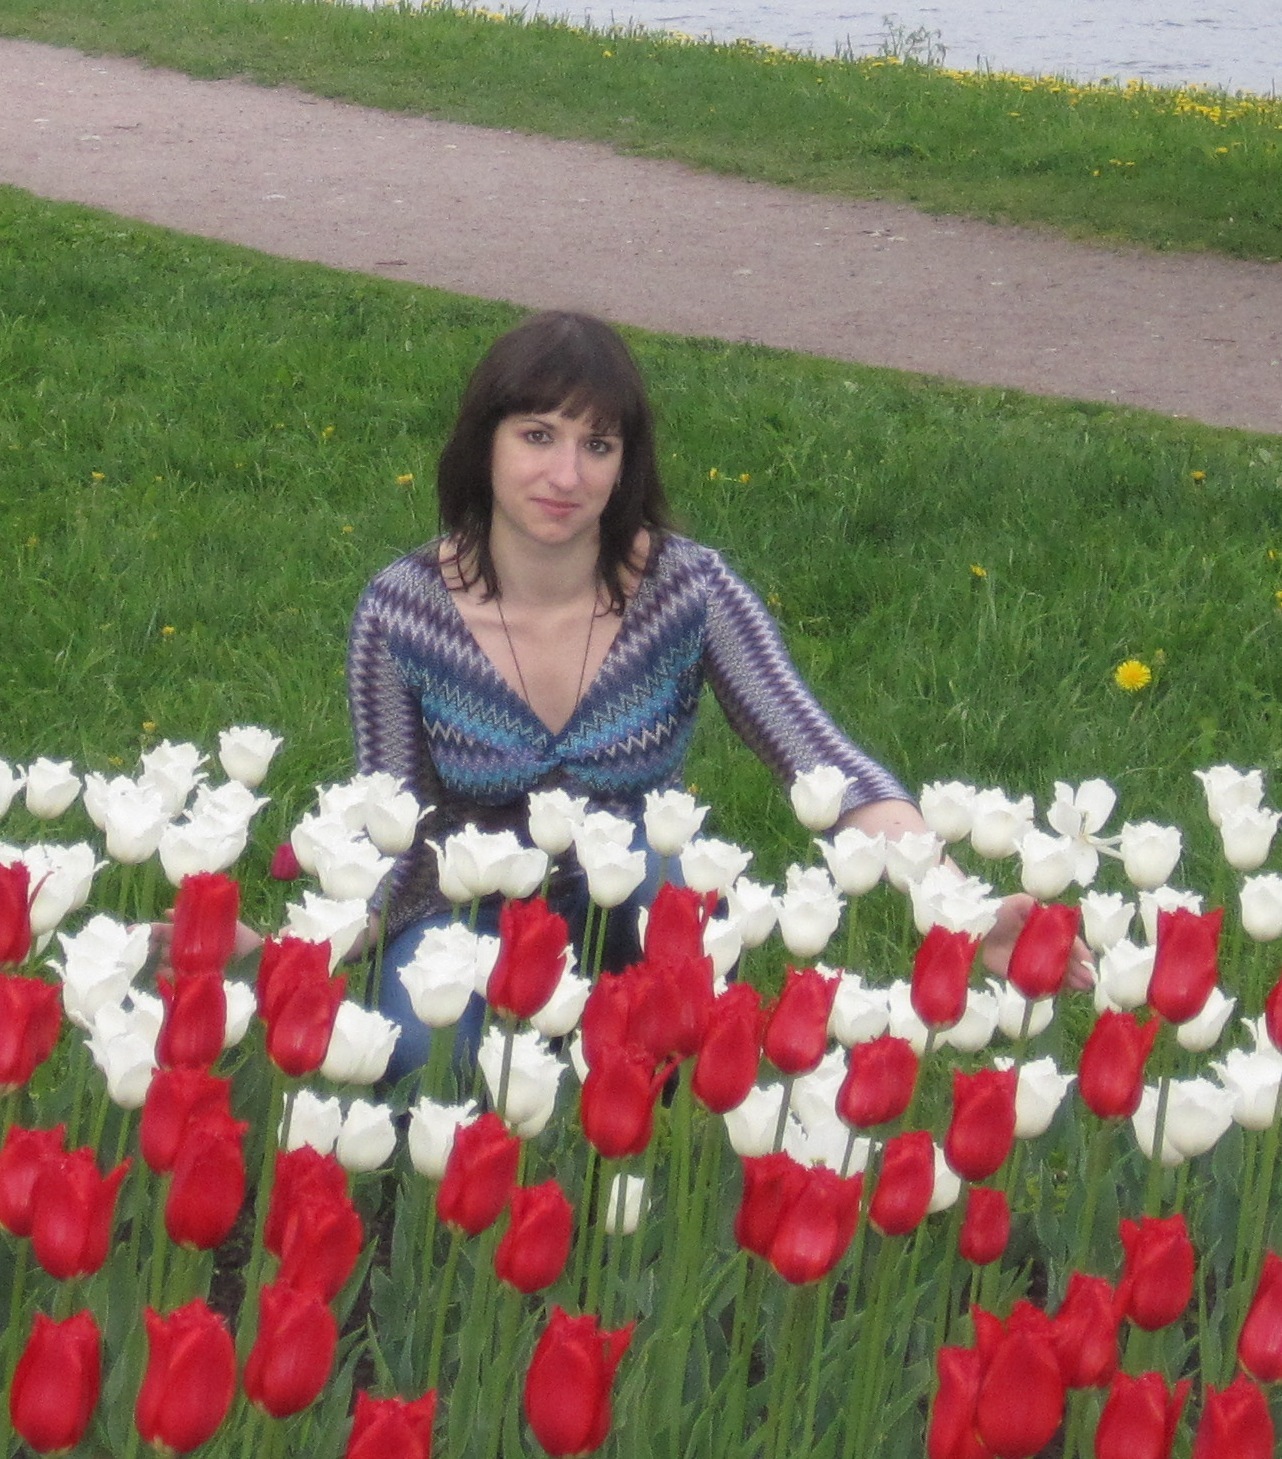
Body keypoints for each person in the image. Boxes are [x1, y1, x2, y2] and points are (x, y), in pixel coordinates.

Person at [347, 310, 1089, 1081]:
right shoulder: (404, 611)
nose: (566, 476)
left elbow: (819, 759)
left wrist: (964, 912)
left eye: (597, 445)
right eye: (538, 435)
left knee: (657, 870)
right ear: (485, 444)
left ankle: (651, 1096)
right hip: (468, 914)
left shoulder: (688, 591)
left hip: (639, 910)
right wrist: (316, 943)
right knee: (419, 1055)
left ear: (625, 464)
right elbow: (388, 826)